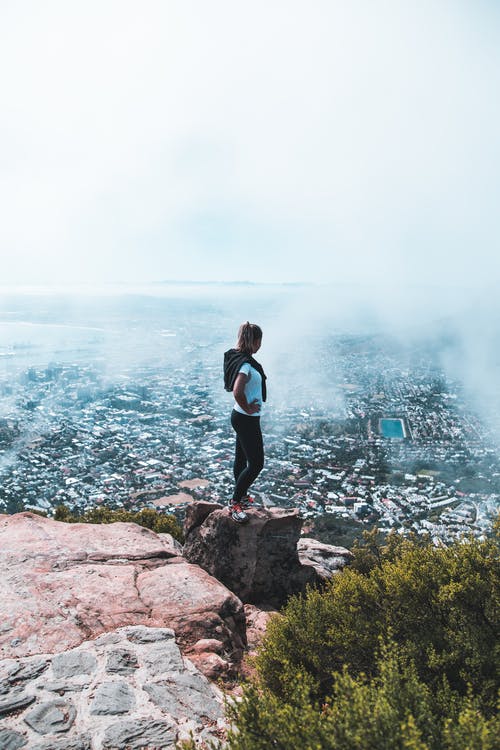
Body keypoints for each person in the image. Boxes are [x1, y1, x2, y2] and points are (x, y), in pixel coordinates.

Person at [223, 322, 267, 523]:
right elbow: (237, 390)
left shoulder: (241, 358)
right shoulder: (246, 364)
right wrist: (248, 407)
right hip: (245, 418)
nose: (260, 345)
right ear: (254, 341)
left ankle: (240, 496)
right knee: (256, 463)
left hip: (241, 417)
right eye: (259, 341)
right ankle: (235, 504)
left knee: (241, 459)